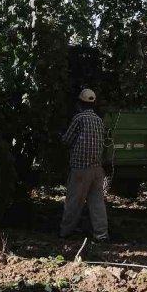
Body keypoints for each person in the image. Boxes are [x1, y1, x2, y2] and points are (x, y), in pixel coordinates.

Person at [59, 88, 109, 242]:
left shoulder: (79, 118)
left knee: (74, 201)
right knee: (97, 202)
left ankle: (65, 232)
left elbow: (66, 140)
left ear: (79, 103)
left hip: (81, 168)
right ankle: (102, 234)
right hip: (97, 169)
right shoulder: (99, 120)